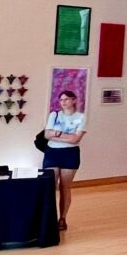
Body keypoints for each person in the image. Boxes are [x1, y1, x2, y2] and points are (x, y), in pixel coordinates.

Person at [42, 90, 87, 230]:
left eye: (66, 99)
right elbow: (47, 135)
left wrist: (57, 134)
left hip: (70, 154)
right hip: (52, 152)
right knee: (50, 186)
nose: (63, 102)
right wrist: (67, 136)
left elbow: (76, 139)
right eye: (61, 100)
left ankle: (62, 218)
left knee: (65, 187)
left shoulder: (80, 117)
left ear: (74, 100)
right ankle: (49, 218)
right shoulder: (54, 115)